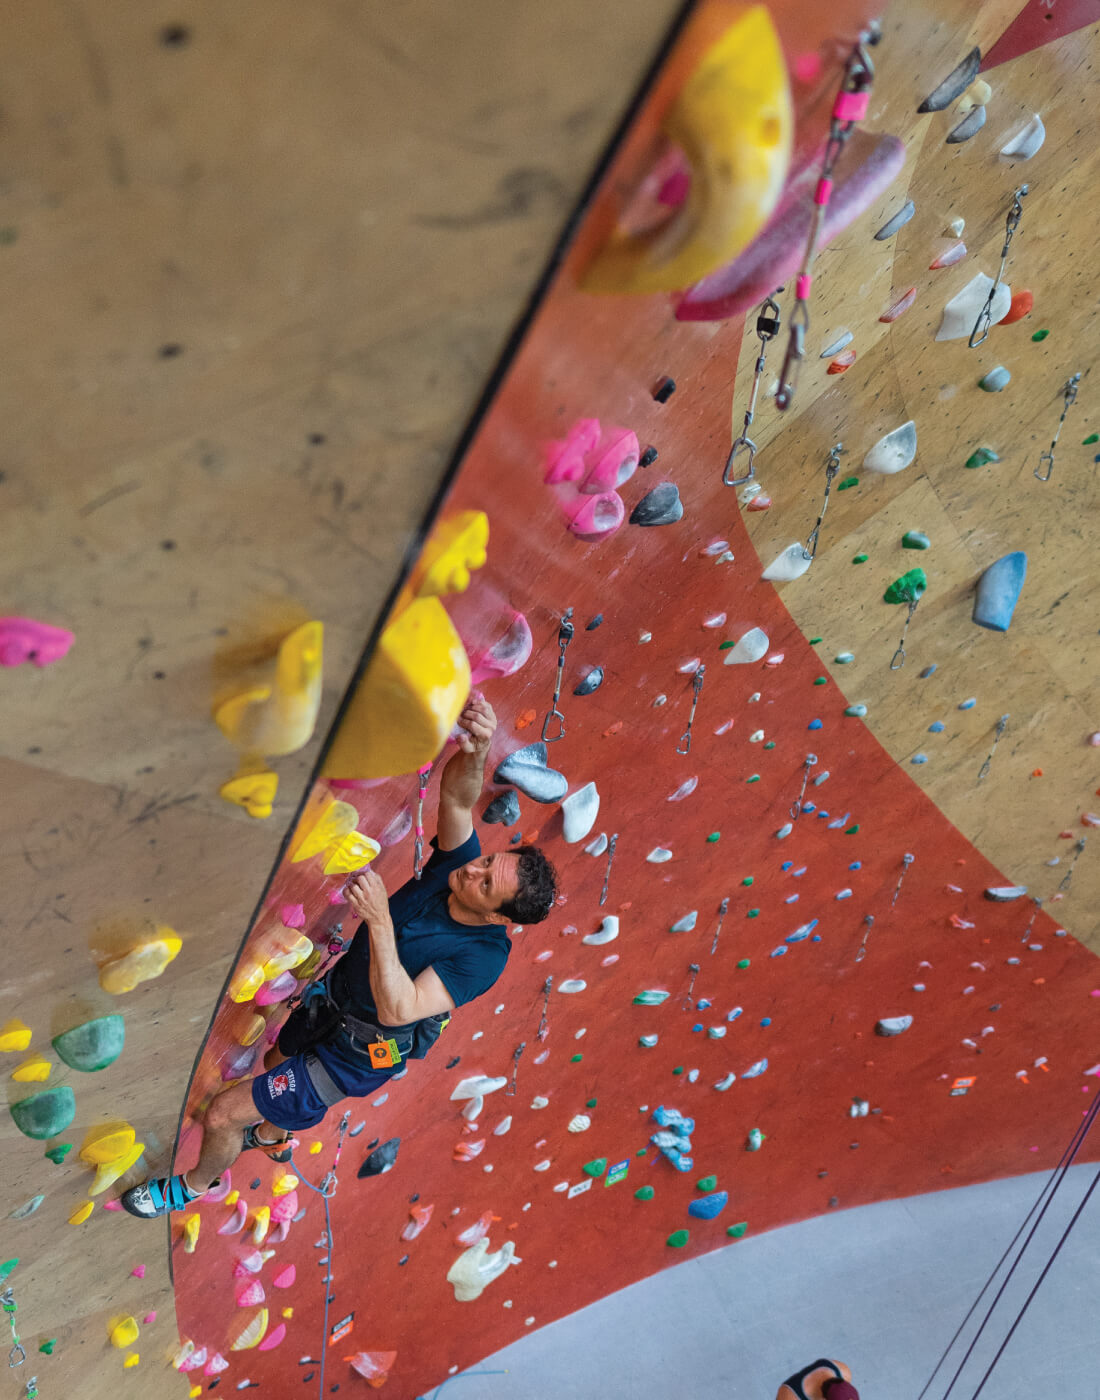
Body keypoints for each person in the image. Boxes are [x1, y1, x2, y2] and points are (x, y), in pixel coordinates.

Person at [122, 695, 557, 1218]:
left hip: (356, 1055)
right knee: (275, 1061)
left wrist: (377, 919)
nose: (470, 872)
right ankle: (273, 1131)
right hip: (336, 1000)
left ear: (498, 916)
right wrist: (479, 749)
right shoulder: (459, 868)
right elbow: (460, 802)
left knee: (221, 1115)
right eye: (486, 861)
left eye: (486, 884)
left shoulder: (484, 958)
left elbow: (400, 1008)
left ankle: (192, 1187)